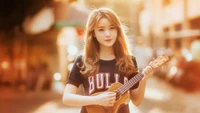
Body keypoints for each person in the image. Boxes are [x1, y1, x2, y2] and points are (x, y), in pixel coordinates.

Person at [62, 7, 154, 113]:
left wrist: (144, 81)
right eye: (101, 29)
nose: (108, 34)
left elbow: (136, 101)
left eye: (112, 28)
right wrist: (97, 100)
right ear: (93, 33)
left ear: (118, 30)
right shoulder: (83, 61)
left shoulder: (129, 61)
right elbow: (67, 97)